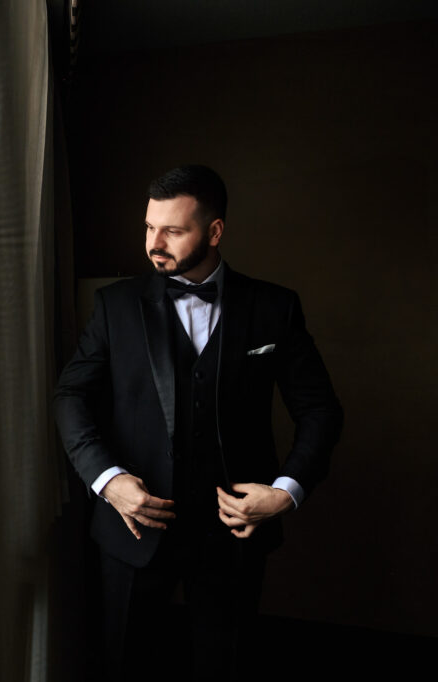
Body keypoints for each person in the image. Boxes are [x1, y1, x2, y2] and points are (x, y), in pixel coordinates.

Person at [53, 165, 343, 681]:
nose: (153, 243)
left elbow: (319, 409)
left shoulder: (275, 307)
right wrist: (107, 480)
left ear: (214, 232)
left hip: (233, 531)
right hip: (133, 525)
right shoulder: (115, 306)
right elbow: (71, 394)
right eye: (148, 227)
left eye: (173, 230)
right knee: (124, 663)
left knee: (225, 665)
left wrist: (285, 491)